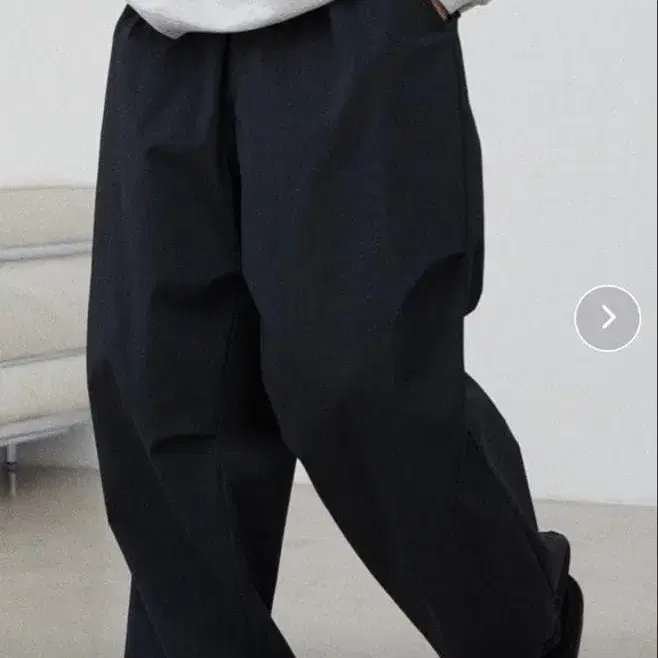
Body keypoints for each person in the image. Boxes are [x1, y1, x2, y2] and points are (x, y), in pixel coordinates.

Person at [86, 0, 585, 656]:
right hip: (164, 37)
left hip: (351, 26)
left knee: (362, 386)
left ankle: (519, 626)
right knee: (157, 401)